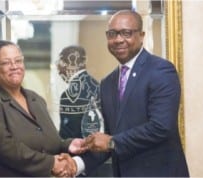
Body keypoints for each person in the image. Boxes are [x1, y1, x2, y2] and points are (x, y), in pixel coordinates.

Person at [79, 10, 189, 177]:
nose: (118, 39)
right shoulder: (107, 83)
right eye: (112, 34)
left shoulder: (161, 70)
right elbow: (111, 138)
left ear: (141, 35)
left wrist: (111, 142)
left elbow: (160, 127)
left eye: (126, 33)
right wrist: (75, 163)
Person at [0, 40, 85, 177]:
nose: (14, 66)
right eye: (6, 63)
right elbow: (6, 148)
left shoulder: (36, 99)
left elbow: (47, 140)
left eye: (18, 61)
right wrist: (51, 163)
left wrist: (68, 145)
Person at [56, 45, 112, 176]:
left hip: (79, 167)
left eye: (60, 63)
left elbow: (67, 135)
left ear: (69, 64)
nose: (58, 68)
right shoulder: (97, 86)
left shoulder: (69, 96)